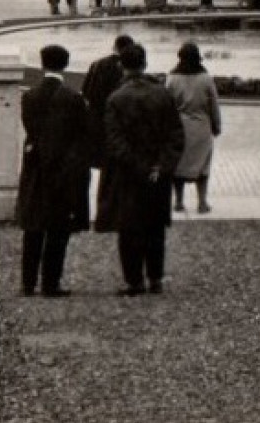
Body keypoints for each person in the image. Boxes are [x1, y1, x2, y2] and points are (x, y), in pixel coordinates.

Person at [96, 43, 186, 296]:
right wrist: (161, 166)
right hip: (158, 171)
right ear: (145, 64)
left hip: (128, 173)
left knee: (129, 228)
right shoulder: (162, 94)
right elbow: (175, 135)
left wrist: (139, 166)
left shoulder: (115, 98)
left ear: (121, 67)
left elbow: (115, 141)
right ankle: (155, 276)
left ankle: (134, 280)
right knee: (155, 226)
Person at [16, 44, 92, 297]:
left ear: (42, 64)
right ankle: (51, 283)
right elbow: (82, 134)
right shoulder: (73, 98)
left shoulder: (29, 96)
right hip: (63, 169)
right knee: (58, 229)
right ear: (66, 65)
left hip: (36, 167)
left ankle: (28, 283)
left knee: (33, 228)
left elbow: (31, 130)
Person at [165, 42, 222, 214]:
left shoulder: (172, 78)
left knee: (178, 166)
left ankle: (179, 202)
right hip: (201, 127)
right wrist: (216, 126)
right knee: (203, 167)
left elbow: (166, 105)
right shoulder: (205, 78)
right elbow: (214, 105)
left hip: (178, 128)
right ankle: (202, 202)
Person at [83, 35, 136, 179]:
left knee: (104, 162)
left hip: (98, 119)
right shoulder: (126, 68)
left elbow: (87, 92)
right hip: (119, 120)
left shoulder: (96, 65)